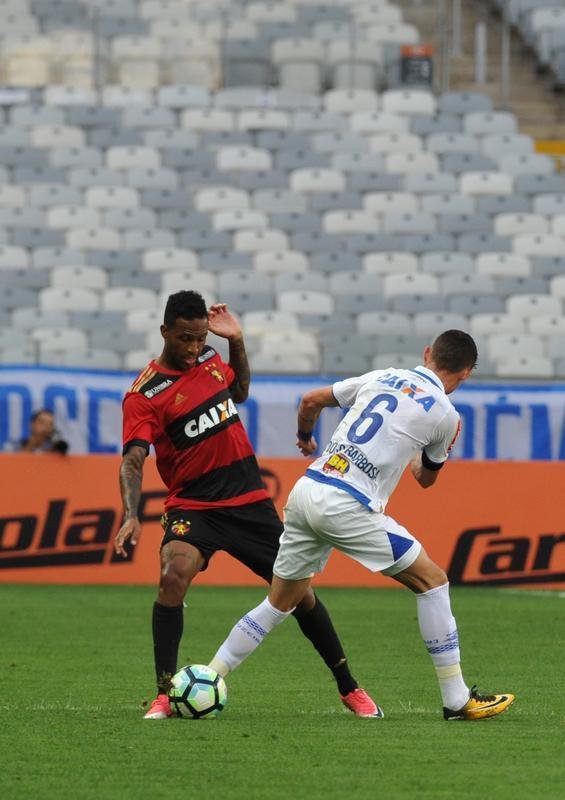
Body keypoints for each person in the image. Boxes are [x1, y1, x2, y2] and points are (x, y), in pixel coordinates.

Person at [209, 330, 515, 721]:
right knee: (433, 582)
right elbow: (425, 478)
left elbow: (310, 401)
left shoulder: (383, 376)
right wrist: (422, 449)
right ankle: (456, 700)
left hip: (308, 490)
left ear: (427, 353)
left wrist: (305, 436)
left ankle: (208, 677)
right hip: (348, 505)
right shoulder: (445, 415)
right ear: (467, 372)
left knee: (279, 602)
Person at [114, 289, 380, 719]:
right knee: (172, 577)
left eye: (201, 338)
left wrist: (236, 341)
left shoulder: (209, 359)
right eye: (185, 338)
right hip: (193, 506)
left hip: (249, 503)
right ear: (164, 331)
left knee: (299, 595)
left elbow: (238, 391)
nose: (194, 348)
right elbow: (133, 459)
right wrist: (130, 514)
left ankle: (350, 688)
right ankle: (165, 692)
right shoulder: (144, 394)